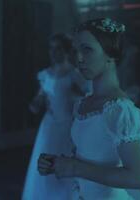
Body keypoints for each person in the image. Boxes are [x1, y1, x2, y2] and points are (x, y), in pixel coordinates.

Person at [38, 18, 140, 200]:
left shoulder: (119, 109)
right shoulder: (83, 104)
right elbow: (89, 154)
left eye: (87, 49)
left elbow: (138, 178)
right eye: (77, 51)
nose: (79, 58)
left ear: (110, 54)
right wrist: (58, 163)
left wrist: (74, 168)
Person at [22, 33, 91, 199]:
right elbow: (38, 101)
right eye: (51, 48)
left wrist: (76, 100)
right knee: (45, 164)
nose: (53, 52)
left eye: (58, 48)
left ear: (66, 51)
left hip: (67, 125)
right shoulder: (45, 75)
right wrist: (35, 103)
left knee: (64, 163)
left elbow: (89, 95)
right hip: (49, 125)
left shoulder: (73, 73)